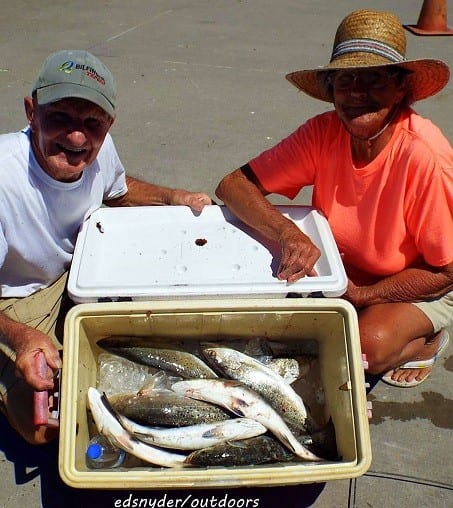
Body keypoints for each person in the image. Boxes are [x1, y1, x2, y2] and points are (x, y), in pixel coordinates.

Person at [216, 9, 453, 389]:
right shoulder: (322, 133)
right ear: (330, 90)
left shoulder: (424, 155)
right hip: (344, 273)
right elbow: (233, 186)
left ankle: (425, 343)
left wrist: (363, 295)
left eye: (374, 78)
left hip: (419, 282)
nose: (357, 92)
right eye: (346, 80)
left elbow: (445, 270)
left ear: (400, 88)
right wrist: (286, 233)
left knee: (363, 348)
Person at [0, 49, 212, 444]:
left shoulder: (100, 148)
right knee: (49, 430)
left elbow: (118, 190)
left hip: (80, 273)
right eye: (59, 116)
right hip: (16, 298)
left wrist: (171, 196)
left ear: (108, 123)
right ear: (31, 111)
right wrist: (20, 337)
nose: (77, 136)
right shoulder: (4, 175)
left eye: (91, 122)